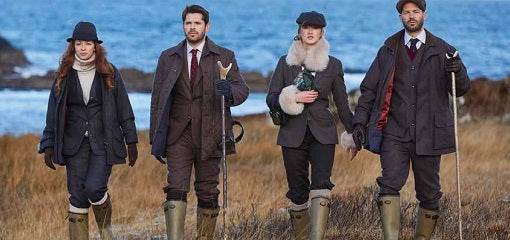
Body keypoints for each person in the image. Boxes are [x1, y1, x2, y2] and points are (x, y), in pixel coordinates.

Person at [352, 1, 470, 239]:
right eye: (406, 12)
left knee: (429, 193)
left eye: (415, 11)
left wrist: (457, 70)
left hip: (430, 133)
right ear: (400, 17)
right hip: (394, 132)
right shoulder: (388, 49)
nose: (411, 16)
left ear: (424, 15)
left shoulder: (444, 49)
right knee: (389, 183)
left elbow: (460, 89)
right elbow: (369, 90)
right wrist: (359, 124)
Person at [149, 5, 249, 240]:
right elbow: (157, 99)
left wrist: (229, 91)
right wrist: (156, 137)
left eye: (197, 23)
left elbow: (242, 89)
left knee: (207, 190)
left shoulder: (224, 56)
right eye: (188, 23)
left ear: (207, 26)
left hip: (212, 132)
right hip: (177, 134)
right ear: (183, 25)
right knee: (175, 187)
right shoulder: (168, 57)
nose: (192, 27)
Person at [38, 22, 138, 240]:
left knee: (94, 188)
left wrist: (131, 140)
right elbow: (52, 112)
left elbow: (124, 107)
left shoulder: (109, 72)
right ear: (73, 46)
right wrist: (47, 144)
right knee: (77, 195)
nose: (83, 48)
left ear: (95, 46)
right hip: (73, 144)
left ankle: (106, 231)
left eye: (88, 43)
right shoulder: (63, 74)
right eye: (79, 43)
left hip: (103, 142)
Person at [266, 11, 357, 240]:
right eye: (306, 28)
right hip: (291, 133)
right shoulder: (285, 63)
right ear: (299, 31)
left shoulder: (333, 65)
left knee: (322, 186)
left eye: (315, 28)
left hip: (323, 133)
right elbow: (271, 98)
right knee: (297, 191)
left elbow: (343, 103)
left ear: (321, 32)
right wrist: (292, 98)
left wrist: (354, 134)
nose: (310, 32)